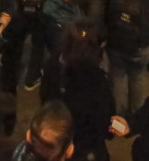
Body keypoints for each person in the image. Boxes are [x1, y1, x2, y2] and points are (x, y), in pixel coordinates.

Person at [40, 21, 114, 161]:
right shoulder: (98, 79)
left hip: (59, 141)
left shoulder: (53, 64)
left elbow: (45, 100)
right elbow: (104, 119)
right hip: (87, 147)